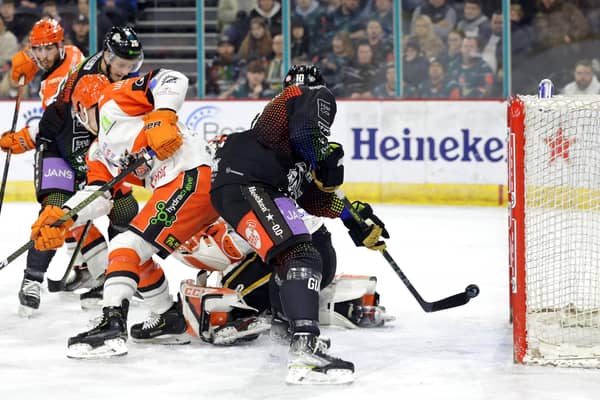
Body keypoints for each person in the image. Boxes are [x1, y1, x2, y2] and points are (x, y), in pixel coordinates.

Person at [209, 64, 389, 384]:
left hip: (253, 186)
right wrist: (323, 156)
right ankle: (305, 347)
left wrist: (352, 217)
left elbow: (309, 198)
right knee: (301, 255)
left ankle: (284, 323)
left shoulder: (285, 139)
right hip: (249, 183)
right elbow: (308, 135)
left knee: (308, 250)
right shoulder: (312, 96)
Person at [29, 68, 220, 359]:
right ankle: (168, 317)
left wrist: (164, 114)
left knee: (124, 245)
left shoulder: (111, 97)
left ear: (81, 108)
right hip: (178, 185)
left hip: (194, 172)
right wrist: (66, 215)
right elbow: (99, 196)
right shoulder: (97, 153)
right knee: (132, 255)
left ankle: (112, 322)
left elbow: (172, 78)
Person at [0, 26, 143, 317]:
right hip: (59, 150)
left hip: (94, 153)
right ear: (106, 55)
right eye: (120, 64)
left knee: (125, 209)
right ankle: (32, 279)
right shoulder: (87, 86)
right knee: (55, 212)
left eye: (131, 65)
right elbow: (53, 120)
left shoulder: (84, 60)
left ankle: (112, 274)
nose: (125, 70)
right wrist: (26, 139)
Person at [174, 217, 393, 332]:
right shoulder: (276, 174)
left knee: (233, 288)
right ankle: (329, 304)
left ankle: (261, 312)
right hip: (320, 255)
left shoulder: (245, 189)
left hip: (299, 256)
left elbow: (233, 249)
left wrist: (183, 247)